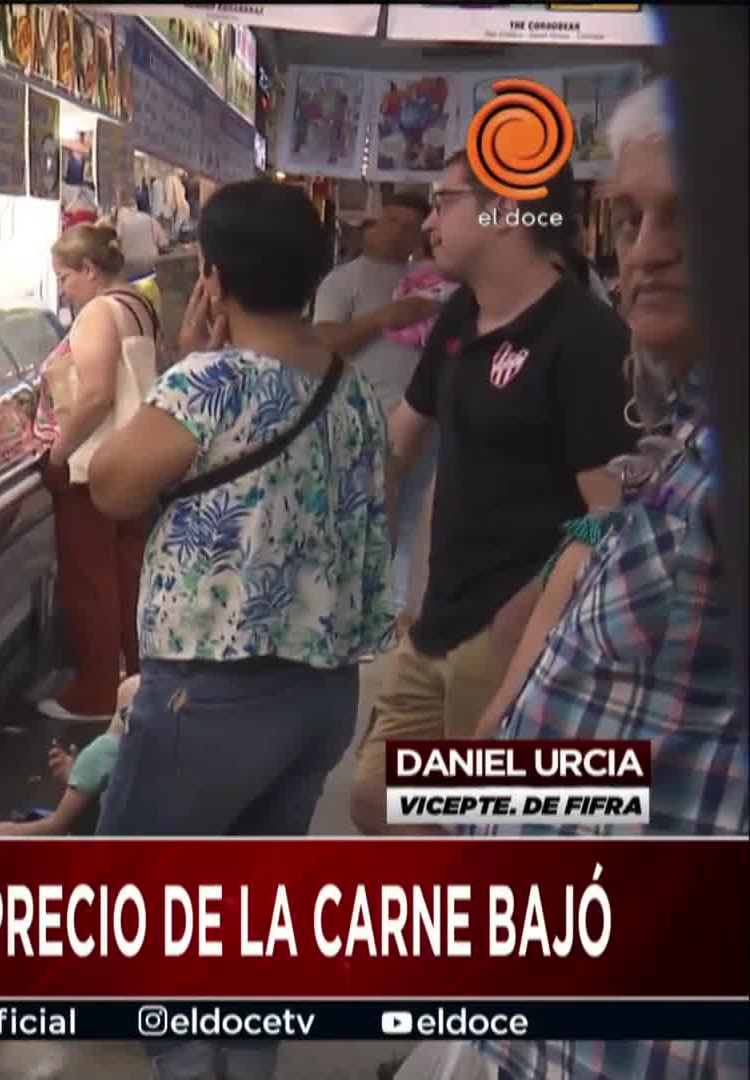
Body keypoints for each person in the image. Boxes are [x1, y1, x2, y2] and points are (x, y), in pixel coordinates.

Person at [397, 80, 750, 1080]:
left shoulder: (590, 345)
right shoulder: (685, 421)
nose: (645, 251)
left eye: (694, 214)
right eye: (632, 217)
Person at [85, 180, 392, 1080]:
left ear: (212, 279)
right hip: (318, 699)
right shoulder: (353, 393)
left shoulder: (209, 383)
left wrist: (187, 358)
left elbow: (111, 485)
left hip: (209, 702)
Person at [349, 153, 637, 836]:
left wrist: (522, 615)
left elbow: (609, 516)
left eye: (445, 201)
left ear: (506, 212)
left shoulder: (588, 340)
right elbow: (401, 442)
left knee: (483, 827)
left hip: (514, 634)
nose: (430, 222)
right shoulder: (459, 319)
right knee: (374, 799)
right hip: (434, 621)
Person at [35, 222, 159, 722]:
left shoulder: (100, 313)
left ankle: (96, 691)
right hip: (134, 458)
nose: (63, 289)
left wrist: (58, 455)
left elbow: (95, 395)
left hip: (94, 464)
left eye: (65, 277)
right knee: (127, 572)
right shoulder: (139, 303)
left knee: (90, 579)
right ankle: (133, 679)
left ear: (89, 270)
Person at [312, 192, 444, 631]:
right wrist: (386, 317)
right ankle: (361, 606)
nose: (398, 232)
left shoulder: (429, 279)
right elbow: (324, 343)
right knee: (367, 516)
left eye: (410, 226)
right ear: (371, 225)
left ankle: (401, 613)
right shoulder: (343, 281)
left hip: (427, 421)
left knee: (415, 520)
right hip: (364, 418)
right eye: (390, 221)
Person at [0, 676, 137, 837]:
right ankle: (81, 792)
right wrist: (80, 779)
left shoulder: (103, 752)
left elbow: (55, 827)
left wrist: (10, 832)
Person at [105, 194, 172, 277]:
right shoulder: (150, 219)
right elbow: (163, 244)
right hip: (149, 269)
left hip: (127, 270)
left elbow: (113, 246)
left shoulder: (115, 223)